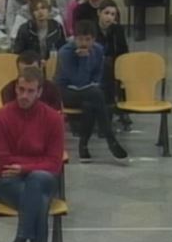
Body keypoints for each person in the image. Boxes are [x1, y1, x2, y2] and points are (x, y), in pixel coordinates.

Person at [0, 66, 64, 242]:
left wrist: (23, 167)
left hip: (42, 179)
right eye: (21, 89)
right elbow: (3, 162)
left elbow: (54, 162)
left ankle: (21, 241)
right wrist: (30, 167)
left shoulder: (53, 118)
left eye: (30, 91)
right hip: (8, 183)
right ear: (15, 88)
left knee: (38, 180)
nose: (24, 95)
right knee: (38, 204)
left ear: (40, 92)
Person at [55, 20, 128, 163]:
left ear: (93, 40)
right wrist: (84, 60)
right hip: (66, 91)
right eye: (80, 39)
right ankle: (110, 137)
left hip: (89, 91)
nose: (83, 43)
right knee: (95, 94)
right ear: (74, 38)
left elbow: (98, 75)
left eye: (88, 39)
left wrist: (92, 83)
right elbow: (77, 81)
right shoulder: (65, 52)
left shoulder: (98, 49)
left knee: (91, 102)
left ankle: (84, 146)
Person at [95, 0, 132, 130]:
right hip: (94, 66)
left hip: (114, 66)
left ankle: (117, 111)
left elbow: (123, 52)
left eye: (113, 14)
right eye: (106, 13)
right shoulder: (91, 28)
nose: (109, 17)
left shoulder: (118, 30)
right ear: (99, 13)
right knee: (106, 68)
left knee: (116, 70)